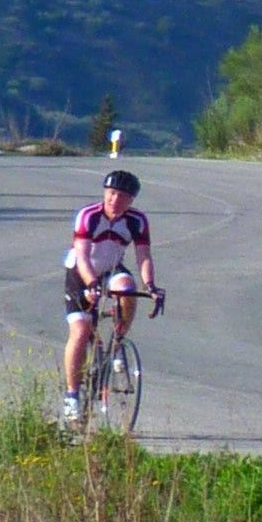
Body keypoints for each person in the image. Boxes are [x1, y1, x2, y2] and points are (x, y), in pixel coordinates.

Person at [61, 168, 161, 420]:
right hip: (80, 272)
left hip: (112, 269)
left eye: (122, 196)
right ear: (105, 193)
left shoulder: (137, 221)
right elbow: (82, 255)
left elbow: (143, 255)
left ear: (131, 200)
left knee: (128, 288)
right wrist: (91, 283)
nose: (115, 200)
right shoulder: (88, 216)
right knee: (81, 332)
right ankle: (72, 397)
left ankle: (117, 344)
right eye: (111, 193)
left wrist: (150, 285)